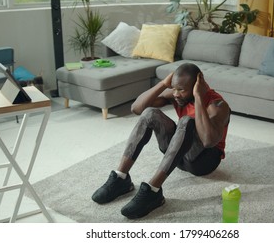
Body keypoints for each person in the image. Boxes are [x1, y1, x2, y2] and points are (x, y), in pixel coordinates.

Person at [91, 63, 230, 219]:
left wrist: (198, 96)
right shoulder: (177, 95)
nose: (176, 94)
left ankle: (153, 191)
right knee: (150, 113)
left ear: (197, 86)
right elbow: (137, 108)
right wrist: (163, 84)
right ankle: (121, 178)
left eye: (182, 90)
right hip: (179, 156)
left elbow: (208, 141)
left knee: (186, 121)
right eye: (174, 88)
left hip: (203, 162)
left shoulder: (217, 105)